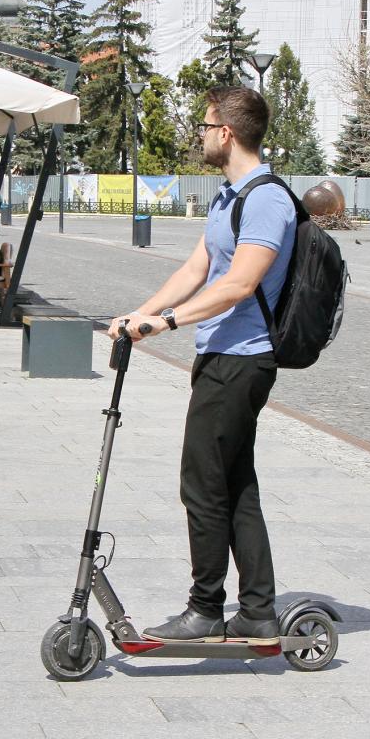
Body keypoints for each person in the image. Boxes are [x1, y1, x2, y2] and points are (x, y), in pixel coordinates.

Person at [108, 86, 296, 646]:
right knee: (236, 484)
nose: (200, 134)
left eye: (205, 125)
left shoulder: (266, 199)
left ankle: (206, 608)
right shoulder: (228, 196)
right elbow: (198, 267)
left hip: (242, 361)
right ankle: (258, 610)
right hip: (219, 356)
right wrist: (141, 313)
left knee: (203, 483)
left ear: (227, 133)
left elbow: (239, 284)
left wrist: (166, 324)